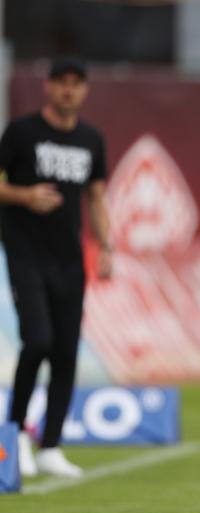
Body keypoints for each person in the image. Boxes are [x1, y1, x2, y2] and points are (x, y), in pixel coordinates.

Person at [0, 58, 112, 478]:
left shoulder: (90, 139)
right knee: (38, 341)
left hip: (68, 259)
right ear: (47, 87)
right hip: (26, 252)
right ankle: (13, 439)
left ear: (84, 90)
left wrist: (106, 245)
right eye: (61, 83)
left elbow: (97, 196)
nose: (68, 90)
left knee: (65, 351)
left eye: (76, 84)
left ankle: (51, 446)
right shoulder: (22, 132)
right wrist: (24, 196)